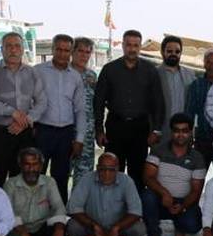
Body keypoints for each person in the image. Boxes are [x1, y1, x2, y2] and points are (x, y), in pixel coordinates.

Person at [93, 29, 164, 189]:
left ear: (140, 47)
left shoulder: (150, 70)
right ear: (123, 45)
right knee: (112, 171)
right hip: (115, 126)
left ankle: (134, 204)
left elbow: (158, 102)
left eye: (135, 45)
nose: (132, 49)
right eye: (129, 45)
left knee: (137, 173)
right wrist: (99, 130)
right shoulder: (109, 70)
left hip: (140, 128)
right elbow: (98, 102)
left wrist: (156, 130)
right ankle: (111, 204)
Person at [0, 32, 46, 186]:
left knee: (22, 181)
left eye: (17, 46)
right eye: (8, 46)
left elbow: (42, 102)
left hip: (24, 134)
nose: (13, 50)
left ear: (22, 49)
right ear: (2, 49)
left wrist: (26, 120)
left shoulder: (32, 72)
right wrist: (12, 112)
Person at [142, 113, 207, 236]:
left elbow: (196, 191)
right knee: (147, 197)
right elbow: (148, 177)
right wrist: (164, 193)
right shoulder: (158, 150)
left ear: (190, 133)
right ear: (171, 132)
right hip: (160, 199)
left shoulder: (197, 158)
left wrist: (183, 206)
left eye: (185, 131)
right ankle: (153, 235)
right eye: (177, 131)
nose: (180, 135)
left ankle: (180, 227)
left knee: (193, 225)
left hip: (183, 201)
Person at [34, 33, 86, 201]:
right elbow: (28, 101)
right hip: (42, 131)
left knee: (61, 179)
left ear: (71, 52)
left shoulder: (75, 77)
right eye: (59, 49)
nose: (63, 54)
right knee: (36, 175)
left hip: (65, 134)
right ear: (52, 49)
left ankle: (59, 214)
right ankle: (35, 213)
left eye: (66, 50)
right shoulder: (38, 71)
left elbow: (80, 110)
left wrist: (79, 139)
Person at [67, 152, 143, 236]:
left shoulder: (127, 181)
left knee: (139, 228)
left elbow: (136, 212)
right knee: (73, 226)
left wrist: (116, 227)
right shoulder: (86, 179)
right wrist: (94, 226)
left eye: (111, 170)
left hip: (119, 230)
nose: (107, 174)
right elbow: (74, 208)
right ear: (97, 168)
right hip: (92, 229)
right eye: (102, 169)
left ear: (117, 168)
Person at [4, 148, 69, 236]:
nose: (31, 169)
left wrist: (59, 231)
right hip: (20, 230)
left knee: (59, 226)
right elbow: (8, 215)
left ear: (41, 166)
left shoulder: (49, 182)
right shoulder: (10, 184)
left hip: (40, 229)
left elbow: (59, 208)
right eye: (27, 164)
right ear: (20, 165)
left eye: (35, 164)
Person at [185, 48, 213, 167]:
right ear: (204, 64)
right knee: (197, 173)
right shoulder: (196, 84)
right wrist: (188, 136)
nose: (212, 65)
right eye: (208, 62)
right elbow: (189, 112)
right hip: (202, 139)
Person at [69, 36, 98, 187]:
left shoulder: (92, 76)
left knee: (84, 177)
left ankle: (78, 202)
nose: (84, 55)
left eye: (87, 52)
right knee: (61, 173)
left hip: (87, 134)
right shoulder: (64, 73)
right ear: (72, 52)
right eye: (80, 51)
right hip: (66, 131)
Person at [157, 34, 197, 139]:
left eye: (177, 51)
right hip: (161, 130)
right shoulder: (154, 74)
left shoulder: (190, 74)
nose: (173, 54)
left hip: (184, 132)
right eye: (169, 51)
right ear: (162, 52)